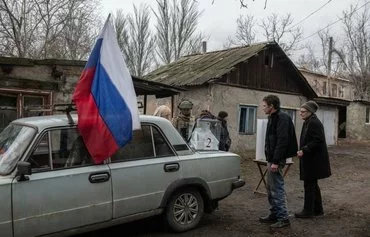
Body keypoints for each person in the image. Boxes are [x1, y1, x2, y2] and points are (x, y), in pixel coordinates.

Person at [260, 94, 298, 229]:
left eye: (264, 106)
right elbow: (271, 140)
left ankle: (283, 218)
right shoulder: (272, 117)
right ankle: (274, 214)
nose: (262, 108)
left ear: (271, 106)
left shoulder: (282, 118)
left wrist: (275, 161)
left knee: (277, 188)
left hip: (277, 159)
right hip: (271, 158)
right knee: (270, 188)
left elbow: (282, 141)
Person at [295, 101, 331, 218]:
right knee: (312, 184)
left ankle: (308, 211)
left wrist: (304, 150)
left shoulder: (314, 123)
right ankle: (318, 209)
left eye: (303, 112)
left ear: (310, 112)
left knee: (309, 184)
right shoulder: (309, 121)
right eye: (300, 111)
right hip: (311, 159)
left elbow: (318, 140)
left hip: (314, 160)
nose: (301, 113)